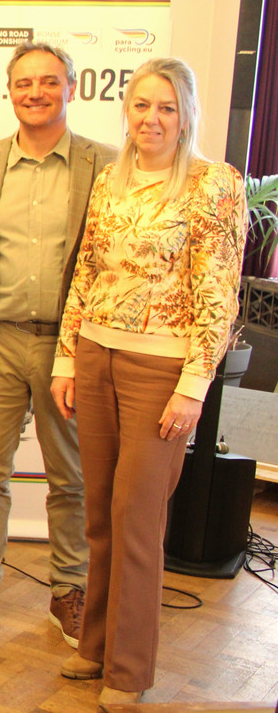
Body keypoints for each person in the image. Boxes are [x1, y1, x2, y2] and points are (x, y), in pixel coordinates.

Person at [51, 58, 245, 708]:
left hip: (160, 370)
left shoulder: (213, 184)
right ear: (126, 112)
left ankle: (128, 670)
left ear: (185, 116)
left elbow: (217, 294)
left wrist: (193, 386)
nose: (151, 119)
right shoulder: (111, 179)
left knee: (137, 519)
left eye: (166, 107)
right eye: (141, 105)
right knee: (101, 514)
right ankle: (95, 645)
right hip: (95, 356)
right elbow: (85, 271)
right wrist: (66, 359)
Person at [0, 43, 117, 644]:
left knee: (72, 476)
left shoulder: (106, 166)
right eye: (24, 83)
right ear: (8, 90)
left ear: (72, 88)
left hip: (71, 347)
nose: (35, 92)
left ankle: (70, 589)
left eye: (49, 81)